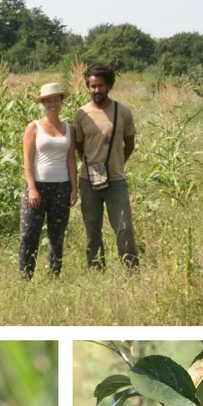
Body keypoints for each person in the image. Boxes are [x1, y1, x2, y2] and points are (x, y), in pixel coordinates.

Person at [73, 63, 138, 270]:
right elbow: (79, 147)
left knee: (124, 228)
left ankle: (131, 270)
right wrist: (95, 166)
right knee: (92, 229)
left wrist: (115, 164)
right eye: (92, 86)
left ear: (109, 86)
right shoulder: (81, 114)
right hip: (88, 180)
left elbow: (129, 145)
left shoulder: (123, 112)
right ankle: (96, 270)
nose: (96, 91)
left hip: (117, 180)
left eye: (100, 86)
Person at [19, 82, 78, 278]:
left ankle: (54, 275)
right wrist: (32, 188)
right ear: (43, 103)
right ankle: (25, 276)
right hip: (38, 185)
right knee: (29, 234)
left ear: (61, 101)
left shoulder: (69, 129)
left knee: (57, 234)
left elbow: (71, 160)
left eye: (56, 99)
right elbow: (27, 159)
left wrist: (74, 189)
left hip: (61, 186)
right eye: (48, 100)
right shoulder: (33, 127)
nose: (53, 103)